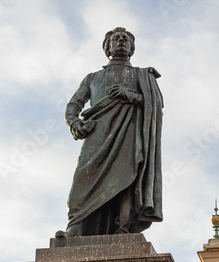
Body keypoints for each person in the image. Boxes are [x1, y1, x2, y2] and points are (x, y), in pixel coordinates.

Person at [64, 27, 163, 236]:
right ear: (107, 47)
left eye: (125, 39)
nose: (121, 41)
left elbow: (156, 103)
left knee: (125, 178)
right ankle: (75, 226)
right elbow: (74, 104)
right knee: (84, 179)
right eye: (116, 38)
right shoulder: (93, 78)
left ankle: (123, 228)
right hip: (97, 134)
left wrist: (129, 95)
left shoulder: (141, 75)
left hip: (128, 133)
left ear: (131, 48)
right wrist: (75, 123)